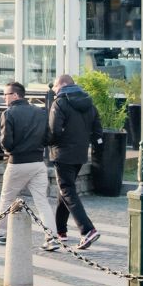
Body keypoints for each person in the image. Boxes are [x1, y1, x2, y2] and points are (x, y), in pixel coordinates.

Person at [45, 73, 102, 251]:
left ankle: (88, 230)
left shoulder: (60, 103)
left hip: (63, 154)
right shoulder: (89, 103)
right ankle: (60, 231)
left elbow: (54, 130)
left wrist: (49, 143)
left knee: (67, 191)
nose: (53, 89)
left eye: (55, 86)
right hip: (80, 154)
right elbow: (97, 129)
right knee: (65, 191)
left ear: (62, 85)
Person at [0, 82, 47, 246]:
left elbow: (6, 140)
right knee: (42, 202)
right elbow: (47, 136)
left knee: (7, 198)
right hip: (38, 162)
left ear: (15, 95)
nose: (4, 97)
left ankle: (1, 233)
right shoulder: (40, 112)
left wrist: (7, 148)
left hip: (18, 162)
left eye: (6, 94)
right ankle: (51, 237)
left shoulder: (9, 113)